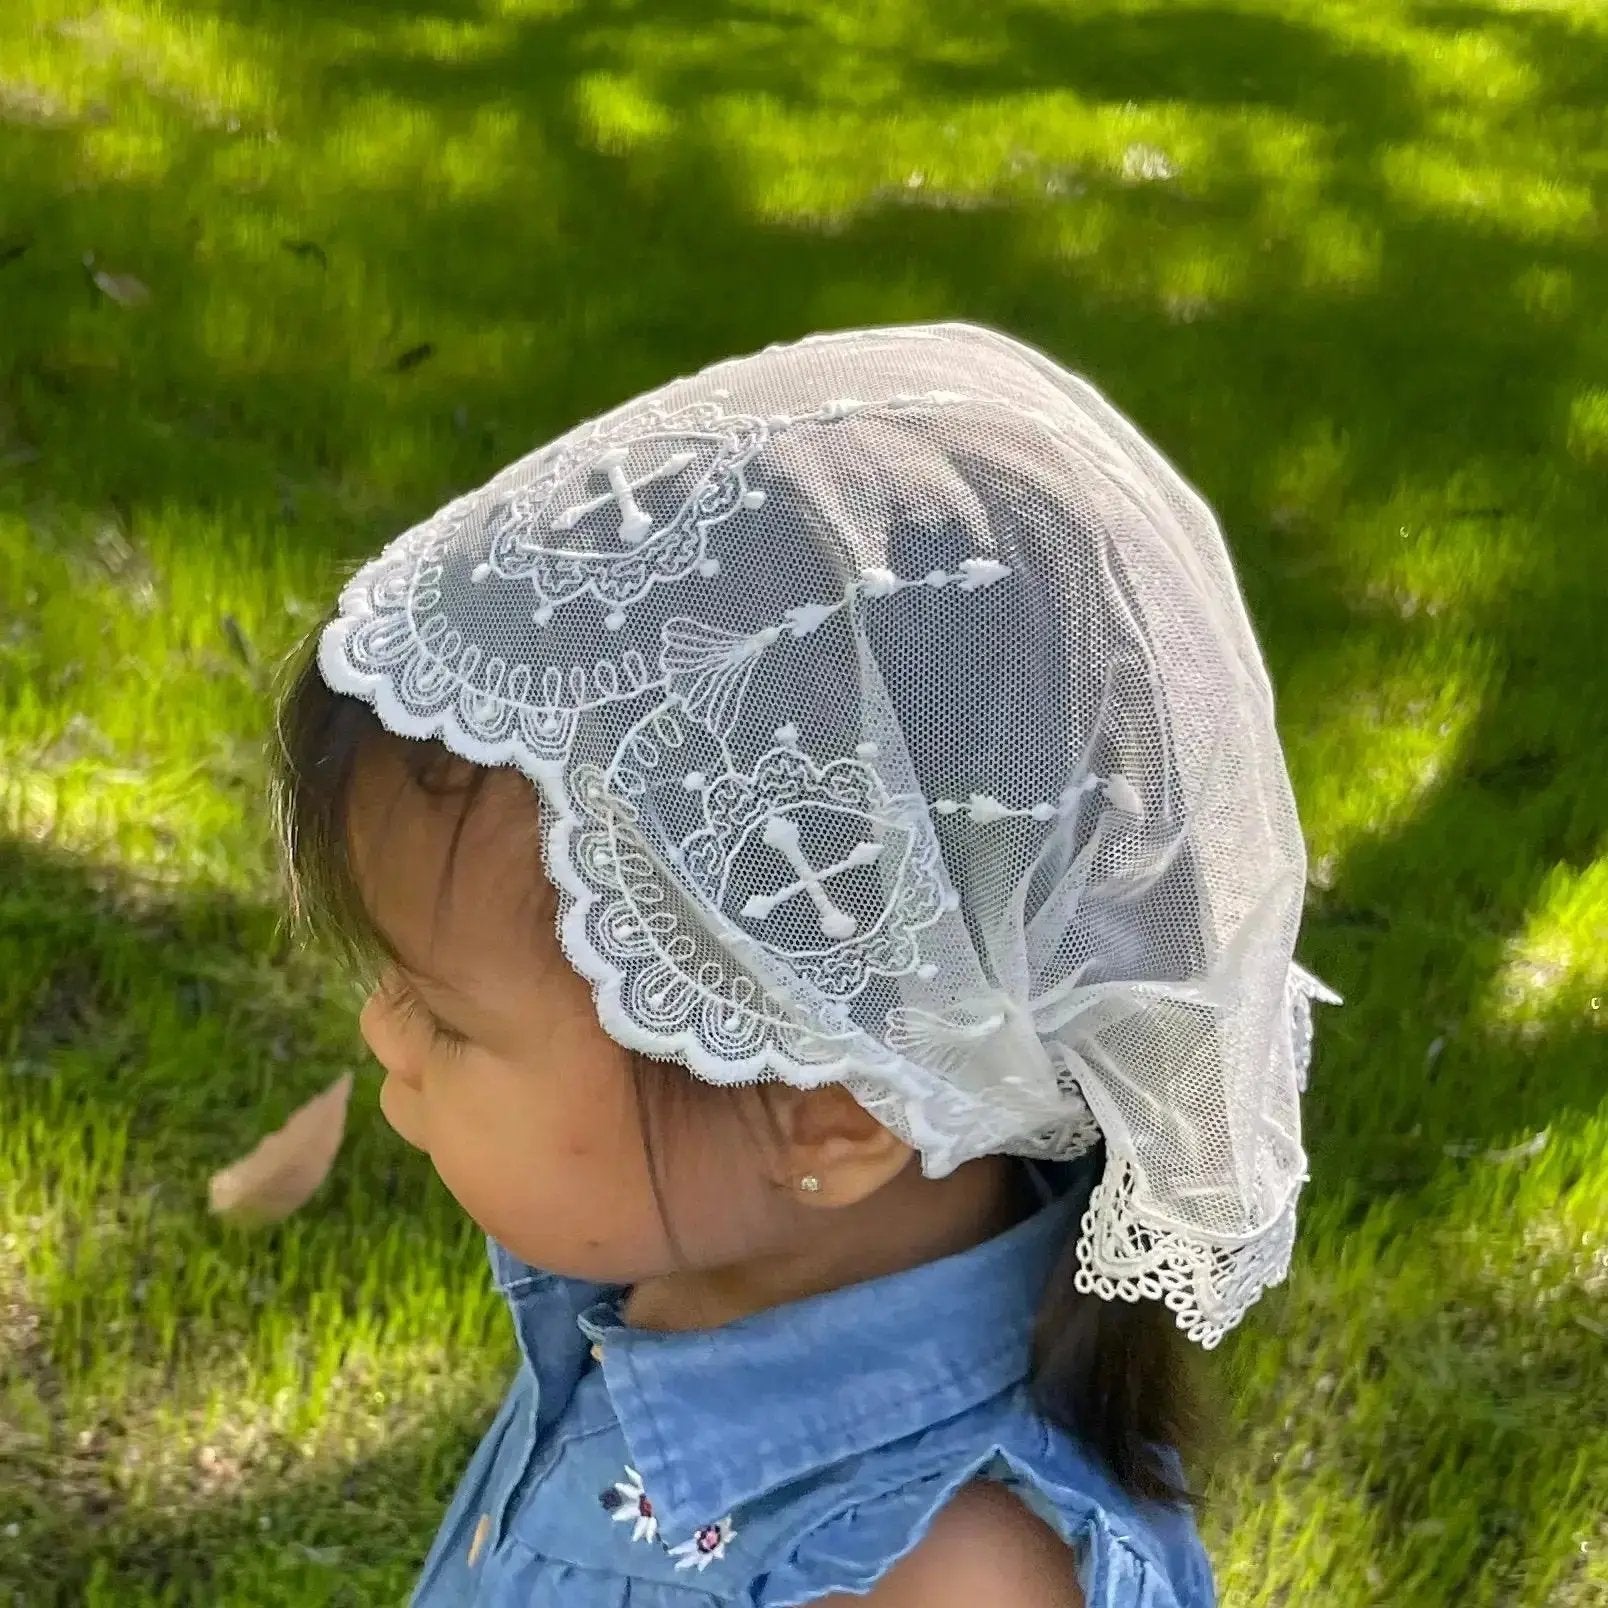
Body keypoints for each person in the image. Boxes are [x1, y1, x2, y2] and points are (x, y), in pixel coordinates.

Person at [272, 322, 1342, 1606]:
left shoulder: (940, 1578)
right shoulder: (682, 1272)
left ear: (833, 1112)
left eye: (447, 1018)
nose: (383, 1033)